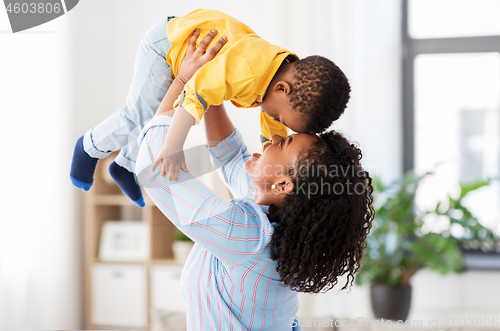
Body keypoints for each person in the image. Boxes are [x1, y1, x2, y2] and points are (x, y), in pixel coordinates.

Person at [134, 49, 373, 331]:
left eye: (283, 143)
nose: (273, 136)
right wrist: (209, 85)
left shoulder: (250, 238)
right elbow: (230, 156)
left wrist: (184, 79)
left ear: (284, 184)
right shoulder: (272, 219)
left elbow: (155, 171)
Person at [70, 9, 351, 206]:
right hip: (167, 48)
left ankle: (125, 167)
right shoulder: (249, 69)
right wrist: (173, 146)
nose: (276, 124)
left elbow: (272, 131)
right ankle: (88, 147)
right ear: (283, 89)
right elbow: (195, 92)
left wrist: (270, 150)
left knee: (152, 115)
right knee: (138, 116)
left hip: (186, 56)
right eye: (279, 117)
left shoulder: (277, 76)